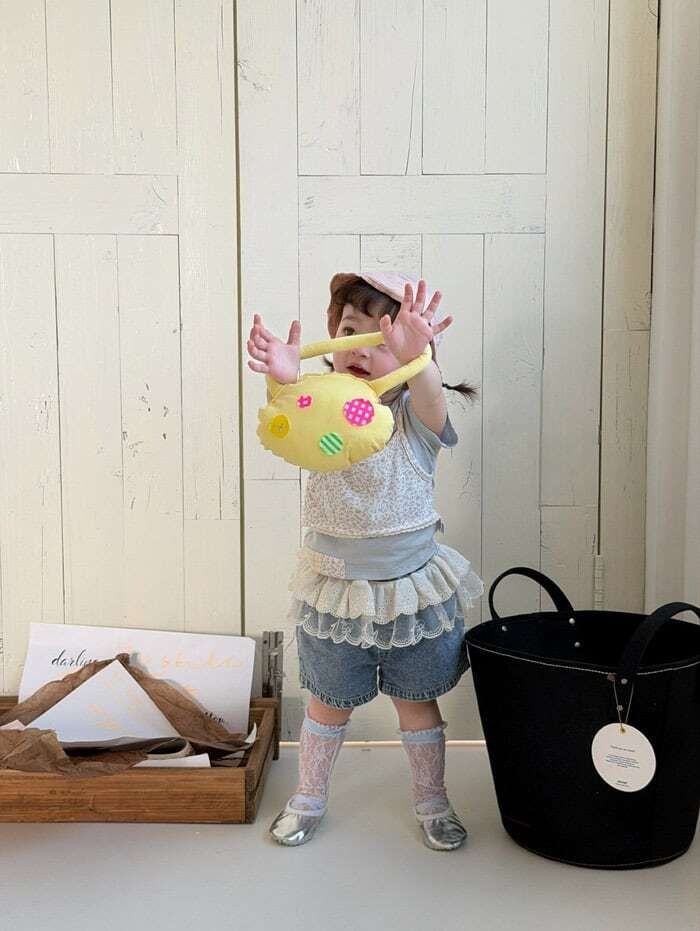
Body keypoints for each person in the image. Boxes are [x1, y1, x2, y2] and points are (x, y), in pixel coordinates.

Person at [246, 271, 485, 850]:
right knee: (326, 707)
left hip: (410, 593)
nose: (360, 348)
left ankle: (432, 801)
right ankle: (308, 797)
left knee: (417, 705)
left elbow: (429, 393)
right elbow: (288, 414)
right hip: (336, 594)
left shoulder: (415, 419)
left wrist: (419, 360)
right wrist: (282, 379)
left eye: (383, 339)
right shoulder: (319, 409)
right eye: (351, 331)